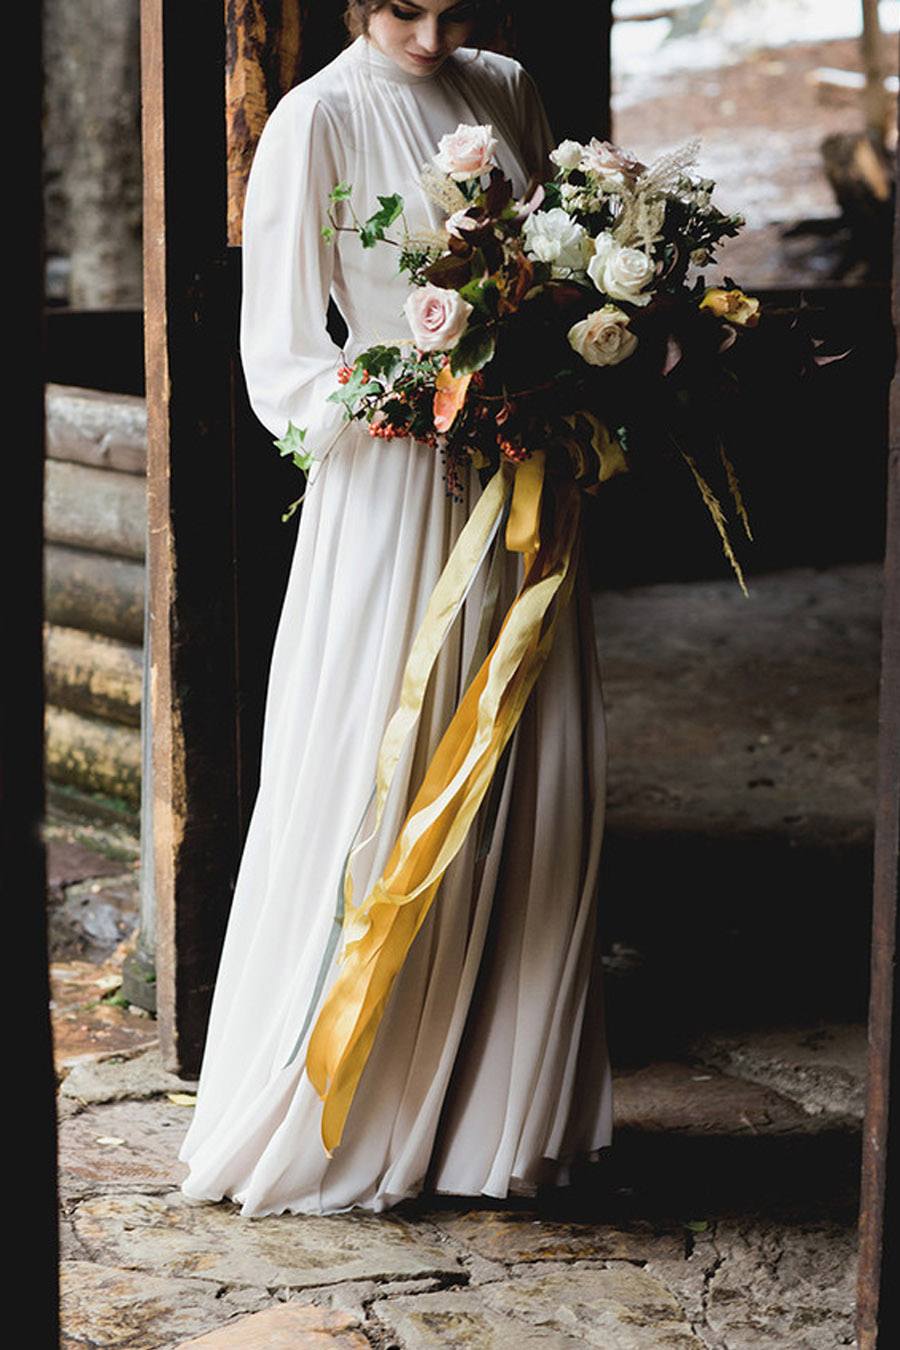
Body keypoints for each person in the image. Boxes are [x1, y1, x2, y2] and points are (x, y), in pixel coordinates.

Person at [177, 0, 614, 1218]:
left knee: (528, 771)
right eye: (401, 7)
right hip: (392, 488)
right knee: (374, 762)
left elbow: (551, 268)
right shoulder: (314, 118)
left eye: (452, 6)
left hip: (523, 477)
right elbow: (282, 354)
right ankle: (342, 1097)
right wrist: (402, 399)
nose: (429, 33)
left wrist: (564, 368)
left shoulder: (511, 88)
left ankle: (489, 1121)